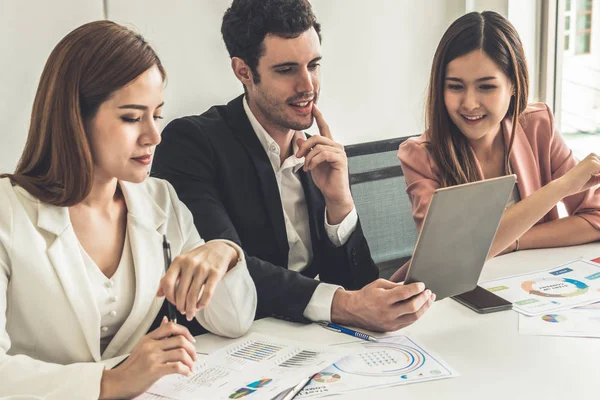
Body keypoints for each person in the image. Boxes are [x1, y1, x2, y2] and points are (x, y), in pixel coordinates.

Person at [0, 21, 257, 399]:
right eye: (132, 118)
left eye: (157, 115)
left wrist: (224, 252)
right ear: (74, 118)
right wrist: (111, 383)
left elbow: (233, 322)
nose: (154, 136)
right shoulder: (8, 213)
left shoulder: (160, 200)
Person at [152, 0, 434, 333]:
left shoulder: (316, 151)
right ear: (243, 71)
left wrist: (339, 203)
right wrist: (344, 304)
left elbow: (358, 288)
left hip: (314, 341)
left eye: (313, 65)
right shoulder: (193, 143)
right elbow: (230, 268)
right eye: (286, 70)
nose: (308, 85)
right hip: (231, 345)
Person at [393, 11, 600, 281]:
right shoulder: (420, 155)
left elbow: (595, 218)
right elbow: (454, 255)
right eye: (455, 87)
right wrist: (561, 187)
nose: (469, 103)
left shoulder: (538, 126)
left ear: (513, 85)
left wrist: (514, 240)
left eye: (486, 87)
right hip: (447, 300)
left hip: (528, 283)